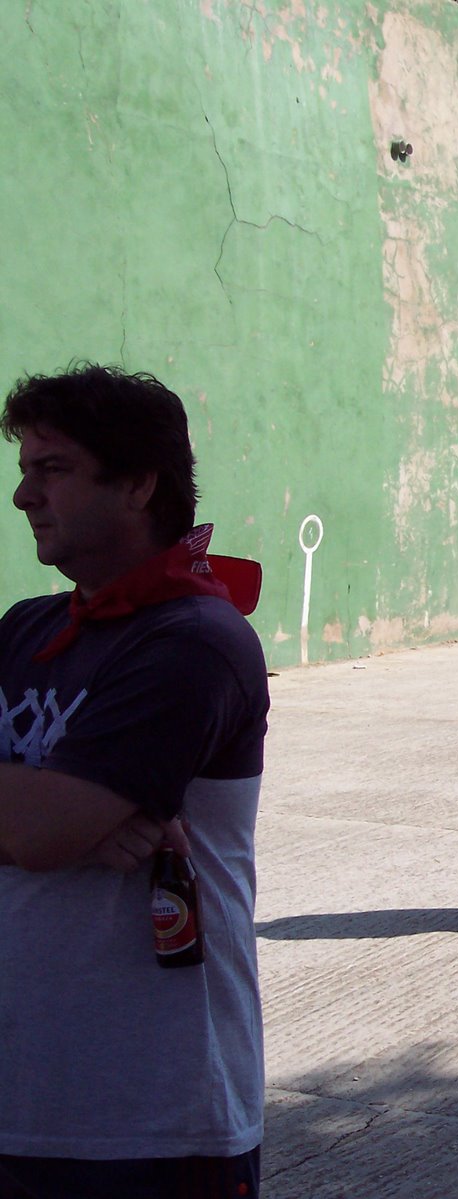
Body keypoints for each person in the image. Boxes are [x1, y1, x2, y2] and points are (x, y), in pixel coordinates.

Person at [0, 365, 270, 1198]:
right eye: (23, 469)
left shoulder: (196, 639)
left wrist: (48, 817)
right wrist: (44, 804)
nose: (22, 496)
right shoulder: (26, 628)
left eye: (52, 469)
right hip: (19, 1098)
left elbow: (43, 833)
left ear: (139, 484)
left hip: (152, 1118)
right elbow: (42, 826)